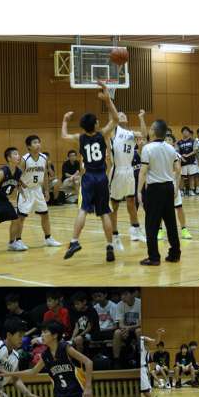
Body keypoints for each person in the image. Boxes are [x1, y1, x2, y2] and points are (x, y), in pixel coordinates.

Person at [61, 81, 119, 262]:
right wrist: (107, 100)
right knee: (104, 213)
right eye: (97, 120)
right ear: (95, 124)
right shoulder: (103, 134)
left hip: (88, 178)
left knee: (83, 209)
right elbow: (115, 119)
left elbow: (63, 135)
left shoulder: (80, 138)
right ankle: (109, 246)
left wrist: (65, 121)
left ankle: (74, 241)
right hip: (101, 177)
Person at [2, 320, 92, 397]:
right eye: (41, 332)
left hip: (77, 395)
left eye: (45, 332)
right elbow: (32, 371)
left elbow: (88, 362)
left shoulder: (65, 348)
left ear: (55, 335)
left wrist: (88, 387)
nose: (42, 335)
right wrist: (9, 373)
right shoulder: (46, 355)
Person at [137, 119, 181, 266]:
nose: (149, 130)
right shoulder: (171, 148)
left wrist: (138, 191)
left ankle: (154, 257)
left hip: (154, 190)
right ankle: (175, 254)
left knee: (151, 224)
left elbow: (143, 172)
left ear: (154, 132)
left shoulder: (147, 148)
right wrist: (176, 187)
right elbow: (178, 169)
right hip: (168, 187)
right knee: (171, 222)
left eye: (151, 128)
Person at [108, 109, 147, 250]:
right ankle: (114, 235)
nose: (122, 114)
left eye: (124, 114)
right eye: (119, 114)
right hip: (118, 170)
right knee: (115, 205)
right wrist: (109, 100)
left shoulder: (130, 133)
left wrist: (141, 118)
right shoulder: (114, 130)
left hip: (129, 170)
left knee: (131, 201)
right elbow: (112, 116)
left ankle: (135, 229)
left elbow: (144, 134)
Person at [16, 135, 61, 249]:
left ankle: (48, 238)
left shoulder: (44, 158)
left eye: (38, 142)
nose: (38, 145)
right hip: (26, 191)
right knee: (21, 217)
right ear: (29, 146)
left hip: (37, 190)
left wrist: (46, 191)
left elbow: (45, 175)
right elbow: (16, 176)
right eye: (35, 143)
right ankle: (18, 240)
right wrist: (21, 187)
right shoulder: (24, 160)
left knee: (45, 214)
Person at [157, 133, 192, 240]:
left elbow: (178, 173)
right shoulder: (158, 154)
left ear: (173, 143)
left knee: (179, 208)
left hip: (172, 184)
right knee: (160, 209)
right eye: (165, 139)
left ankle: (184, 229)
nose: (167, 141)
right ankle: (160, 230)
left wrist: (176, 188)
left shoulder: (175, 155)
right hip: (161, 183)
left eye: (169, 139)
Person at [113, 289, 141, 367]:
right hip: (125, 331)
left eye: (125, 294)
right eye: (121, 295)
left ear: (133, 294)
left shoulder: (140, 303)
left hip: (136, 329)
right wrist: (125, 329)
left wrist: (127, 328)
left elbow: (140, 324)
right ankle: (116, 360)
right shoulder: (119, 305)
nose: (123, 297)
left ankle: (140, 357)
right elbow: (120, 324)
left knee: (138, 331)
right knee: (117, 332)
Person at [177, 127, 197, 196]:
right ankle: (181, 190)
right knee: (182, 177)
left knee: (191, 176)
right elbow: (177, 152)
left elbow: (195, 151)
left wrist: (187, 155)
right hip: (183, 162)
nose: (185, 132)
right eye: (184, 131)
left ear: (189, 132)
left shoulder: (193, 141)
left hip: (191, 161)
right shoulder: (179, 142)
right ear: (182, 133)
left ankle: (191, 190)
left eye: (187, 131)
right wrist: (181, 157)